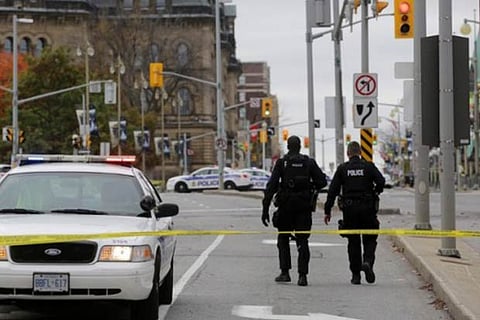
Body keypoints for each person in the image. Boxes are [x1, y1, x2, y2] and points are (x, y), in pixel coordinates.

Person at [262, 135, 327, 286]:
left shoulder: (282, 163)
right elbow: (322, 182)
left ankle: (285, 272)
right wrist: (310, 187)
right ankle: (302, 276)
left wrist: (265, 209)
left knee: (283, 239)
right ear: (300, 147)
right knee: (303, 240)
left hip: (286, 207)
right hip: (303, 207)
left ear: (288, 146)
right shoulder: (308, 162)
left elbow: (271, 187)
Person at [323, 141, 385, 285]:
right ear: (360, 152)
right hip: (367, 207)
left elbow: (332, 191)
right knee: (370, 238)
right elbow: (381, 181)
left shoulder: (343, 169)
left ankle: (356, 275)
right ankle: (368, 262)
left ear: (348, 153)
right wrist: (375, 191)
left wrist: (328, 210)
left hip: (350, 210)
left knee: (353, 242)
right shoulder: (368, 166)